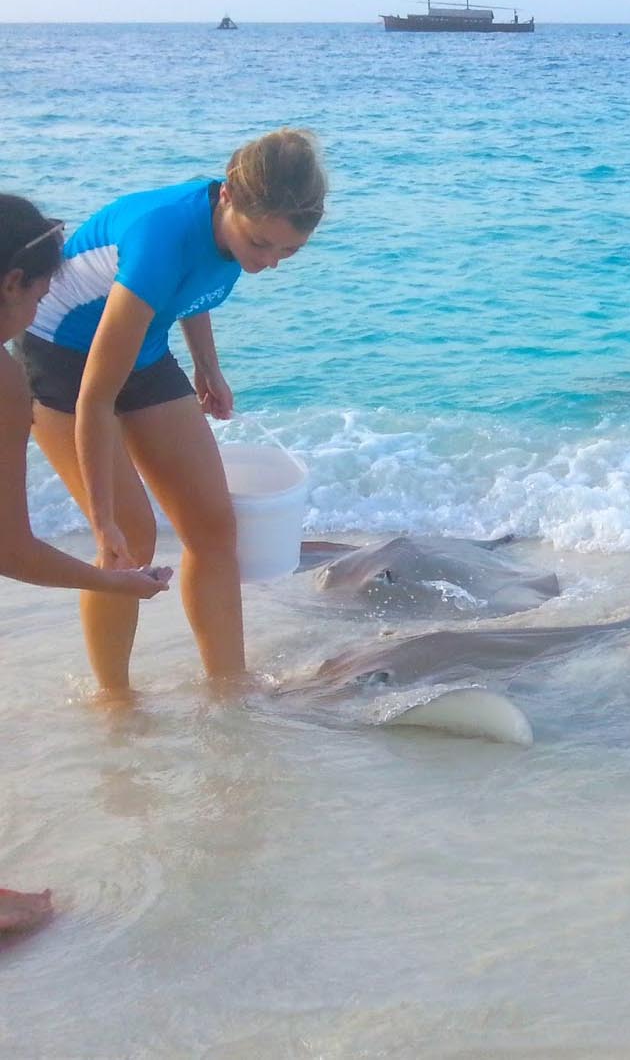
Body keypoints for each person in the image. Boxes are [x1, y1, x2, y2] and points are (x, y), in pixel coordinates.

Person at [15, 129, 327, 693]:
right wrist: (103, 517)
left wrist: (208, 366)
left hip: (143, 343)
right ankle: (114, 699)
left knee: (212, 525)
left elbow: (192, 287)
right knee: (128, 539)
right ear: (229, 195)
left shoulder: (232, 228)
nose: (271, 263)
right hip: (63, 355)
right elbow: (95, 396)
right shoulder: (160, 234)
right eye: (262, 245)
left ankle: (229, 686)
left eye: (289, 251)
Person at [2, 195, 176, 943]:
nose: (43, 305)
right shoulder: (8, 383)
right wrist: (116, 579)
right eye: (41, 290)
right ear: (12, 282)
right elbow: (10, 548)